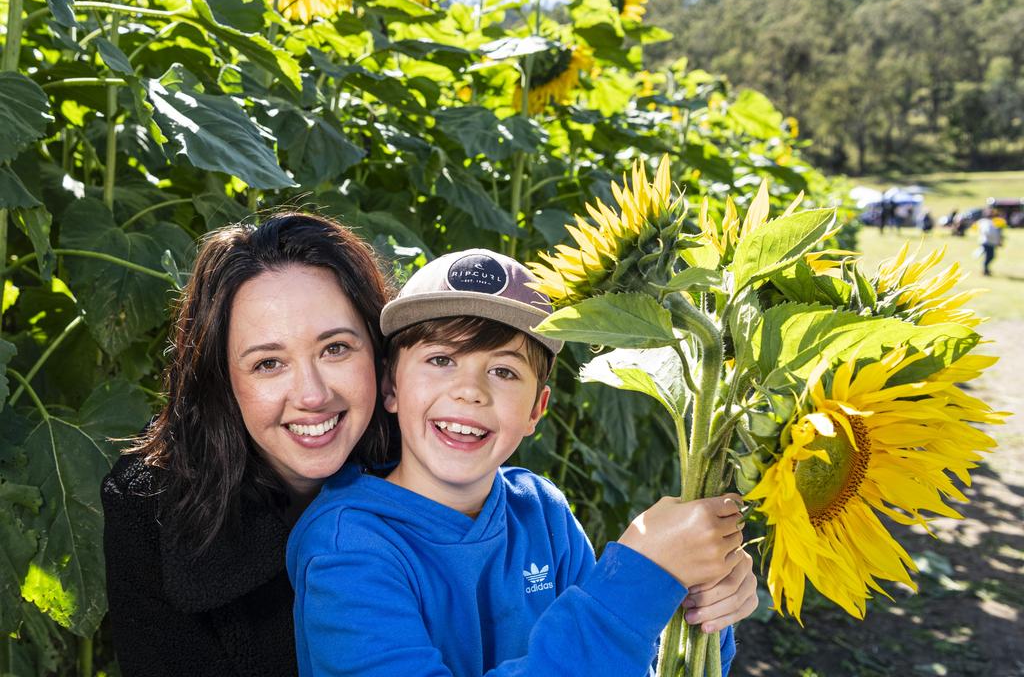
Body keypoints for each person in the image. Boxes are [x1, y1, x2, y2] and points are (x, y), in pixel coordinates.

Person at [288, 248, 755, 677]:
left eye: (504, 370)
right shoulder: (347, 547)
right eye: (441, 359)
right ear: (390, 387)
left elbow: (621, 659)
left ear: (537, 409)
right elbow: (606, 629)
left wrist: (696, 608)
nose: (470, 390)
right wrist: (636, 582)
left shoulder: (541, 511)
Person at [101, 212, 396, 677]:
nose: (312, 395)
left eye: (335, 348)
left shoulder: (433, 466)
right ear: (223, 380)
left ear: (379, 352)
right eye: (268, 364)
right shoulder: (149, 506)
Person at [976, 207, 1003, 276]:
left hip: (991, 243)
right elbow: (987, 232)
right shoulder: (985, 222)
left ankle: (986, 270)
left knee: (991, 256)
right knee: (989, 256)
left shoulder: (994, 222)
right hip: (986, 242)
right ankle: (985, 270)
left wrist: (998, 241)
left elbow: (997, 233)